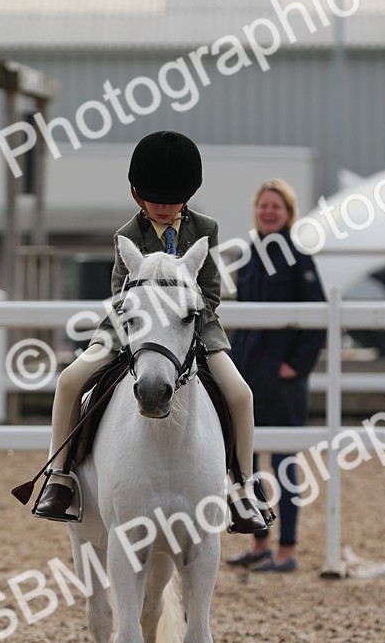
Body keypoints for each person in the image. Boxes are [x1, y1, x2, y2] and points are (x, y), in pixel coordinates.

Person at [31, 130, 269, 533]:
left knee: (240, 394)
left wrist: (185, 320)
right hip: (130, 328)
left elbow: (211, 291)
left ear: (188, 195)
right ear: (136, 194)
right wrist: (142, 325)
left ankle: (243, 488)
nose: (162, 207)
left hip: (193, 327)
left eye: (171, 200)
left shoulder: (206, 228)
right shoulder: (127, 235)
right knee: (70, 380)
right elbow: (118, 292)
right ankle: (60, 477)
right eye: (154, 200)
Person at [226, 179, 326, 572]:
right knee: (247, 464)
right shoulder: (248, 256)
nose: (268, 212)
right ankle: (260, 542)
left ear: (288, 213)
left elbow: (317, 319)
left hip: (282, 383)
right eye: (263, 205)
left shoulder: (299, 258)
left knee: (285, 463)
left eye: (276, 206)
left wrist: (295, 366)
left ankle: (287, 549)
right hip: (248, 377)